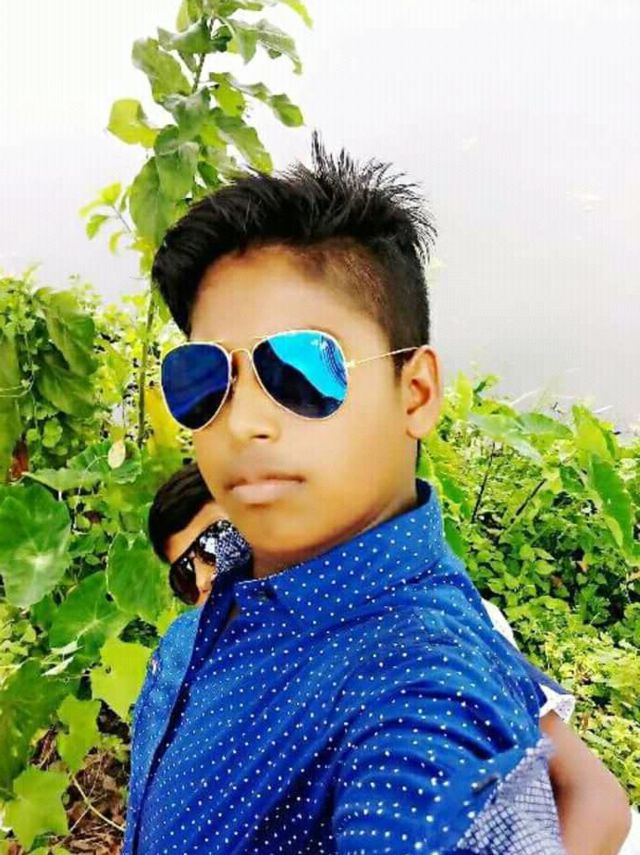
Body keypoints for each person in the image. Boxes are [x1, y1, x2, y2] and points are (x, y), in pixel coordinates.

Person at [124, 136, 631, 854]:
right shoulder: (223, 597)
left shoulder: (421, 686)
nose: (243, 422)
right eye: (205, 380)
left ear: (415, 392)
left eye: (302, 368)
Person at [145, 463, 637, 854]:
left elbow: (598, 799)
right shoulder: (224, 676)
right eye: (184, 576)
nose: (205, 579)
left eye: (214, 545)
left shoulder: (418, 627)